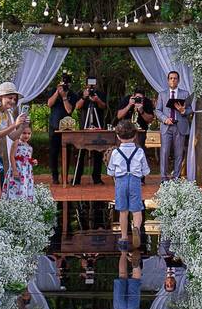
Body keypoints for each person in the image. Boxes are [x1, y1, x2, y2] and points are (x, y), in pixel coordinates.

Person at [107, 121, 150, 250]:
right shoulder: (139, 151)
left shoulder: (115, 153)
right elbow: (146, 171)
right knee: (137, 211)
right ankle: (136, 228)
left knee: (123, 211)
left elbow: (110, 172)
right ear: (135, 135)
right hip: (135, 181)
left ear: (118, 137)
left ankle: (124, 237)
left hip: (121, 182)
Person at [0, 82, 29, 179]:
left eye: (14, 99)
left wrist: (22, 127)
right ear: (1, 97)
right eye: (10, 98)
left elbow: (13, 136)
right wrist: (15, 124)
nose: (13, 101)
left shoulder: (6, 112)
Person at [156, 71, 192, 181]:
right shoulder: (162, 94)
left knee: (179, 153)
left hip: (180, 127)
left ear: (178, 80)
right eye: (171, 78)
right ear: (168, 80)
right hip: (166, 127)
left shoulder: (185, 94)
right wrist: (165, 119)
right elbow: (157, 110)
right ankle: (163, 178)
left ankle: (176, 177)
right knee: (164, 152)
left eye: (175, 78)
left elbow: (190, 109)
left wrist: (183, 111)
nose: (173, 80)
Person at [73, 79, 108, 185]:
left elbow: (104, 106)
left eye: (93, 84)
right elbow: (77, 107)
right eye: (89, 84)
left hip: (97, 127)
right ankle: (77, 177)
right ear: (86, 84)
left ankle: (96, 177)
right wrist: (84, 96)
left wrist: (97, 100)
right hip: (84, 127)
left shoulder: (100, 94)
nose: (91, 86)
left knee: (98, 152)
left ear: (96, 84)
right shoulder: (82, 93)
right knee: (81, 151)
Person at [46, 75, 76, 183]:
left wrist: (64, 97)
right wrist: (57, 93)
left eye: (66, 84)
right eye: (62, 83)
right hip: (54, 127)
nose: (64, 86)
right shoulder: (53, 91)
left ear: (70, 84)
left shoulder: (72, 94)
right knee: (53, 153)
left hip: (67, 128)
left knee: (66, 153)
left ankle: (65, 176)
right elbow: (49, 104)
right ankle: (55, 176)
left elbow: (69, 110)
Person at [4, 125, 36, 201]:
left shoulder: (29, 147)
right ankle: (13, 202)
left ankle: (24, 202)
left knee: (24, 187)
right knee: (15, 187)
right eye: (24, 133)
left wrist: (33, 162)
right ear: (19, 133)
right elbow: (12, 156)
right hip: (17, 169)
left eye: (29, 133)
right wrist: (14, 170)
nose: (26, 135)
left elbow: (27, 160)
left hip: (26, 173)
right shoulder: (16, 142)